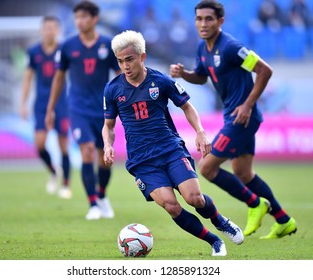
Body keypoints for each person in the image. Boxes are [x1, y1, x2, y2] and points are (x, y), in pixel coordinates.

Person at [103, 30, 244, 257]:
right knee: (171, 205)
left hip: (170, 149)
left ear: (142, 56)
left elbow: (187, 106)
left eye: (129, 59)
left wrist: (200, 132)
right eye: (120, 61)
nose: (125, 66)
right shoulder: (112, 89)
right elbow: (108, 126)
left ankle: (220, 220)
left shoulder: (161, 81)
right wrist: (108, 145)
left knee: (193, 198)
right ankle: (214, 240)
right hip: (142, 161)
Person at [170, 0, 297, 239]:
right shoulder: (203, 48)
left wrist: (248, 104)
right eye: (199, 19)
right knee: (244, 173)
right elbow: (200, 76)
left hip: (242, 118)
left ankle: (255, 204)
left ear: (220, 21)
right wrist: (184, 74)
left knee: (207, 167)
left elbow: (264, 70)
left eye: (209, 19)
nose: (203, 23)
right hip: (234, 116)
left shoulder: (230, 47)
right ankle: (283, 220)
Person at [46, 1, 120, 220]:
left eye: (84, 17)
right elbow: (59, 79)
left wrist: (121, 103)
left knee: (104, 158)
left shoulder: (108, 45)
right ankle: (93, 204)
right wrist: (50, 109)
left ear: (95, 19)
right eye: (77, 17)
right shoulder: (68, 47)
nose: (80, 21)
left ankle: (102, 195)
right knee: (86, 151)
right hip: (78, 108)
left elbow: (119, 76)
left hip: (104, 109)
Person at [20, 16, 71, 199]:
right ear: (42, 30)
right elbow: (27, 78)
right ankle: (52, 171)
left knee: (63, 144)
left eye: (53, 28)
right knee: (39, 144)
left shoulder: (64, 49)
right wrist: (23, 104)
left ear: (57, 30)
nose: (50, 31)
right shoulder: (34, 52)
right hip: (41, 104)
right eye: (47, 28)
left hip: (61, 103)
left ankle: (66, 184)